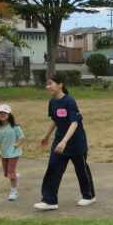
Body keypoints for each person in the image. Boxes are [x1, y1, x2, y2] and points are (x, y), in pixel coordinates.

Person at [34, 73, 97, 210]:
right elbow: (54, 120)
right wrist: (46, 136)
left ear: (60, 84)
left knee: (81, 170)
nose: (47, 87)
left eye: (50, 83)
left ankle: (89, 196)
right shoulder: (52, 102)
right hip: (59, 142)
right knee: (53, 168)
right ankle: (49, 200)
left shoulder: (69, 101)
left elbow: (74, 123)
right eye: (47, 84)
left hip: (75, 142)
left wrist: (64, 142)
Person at [0, 104, 25, 201]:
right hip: (4, 154)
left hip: (14, 153)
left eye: (4, 113)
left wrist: (17, 144)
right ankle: (14, 176)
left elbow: (22, 138)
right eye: (0, 113)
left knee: (10, 172)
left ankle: (14, 192)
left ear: (9, 114)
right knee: (7, 173)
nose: (2, 115)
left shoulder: (15, 127)